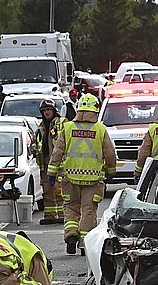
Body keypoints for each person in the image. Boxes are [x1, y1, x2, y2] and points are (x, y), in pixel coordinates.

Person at [47, 93, 116, 255]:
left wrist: (52, 172)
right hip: (93, 179)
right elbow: (110, 153)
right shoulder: (100, 129)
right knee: (88, 210)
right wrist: (111, 171)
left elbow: (58, 151)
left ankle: (71, 235)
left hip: (70, 177)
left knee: (71, 208)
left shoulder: (68, 128)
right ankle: (85, 244)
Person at [36, 99, 66, 225]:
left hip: (58, 163)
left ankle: (63, 215)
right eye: (44, 111)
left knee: (59, 190)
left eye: (49, 110)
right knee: (47, 190)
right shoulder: (41, 126)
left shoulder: (62, 123)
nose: (47, 112)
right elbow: (36, 142)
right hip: (45, 162)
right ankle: (50, 215)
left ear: (54, 111)